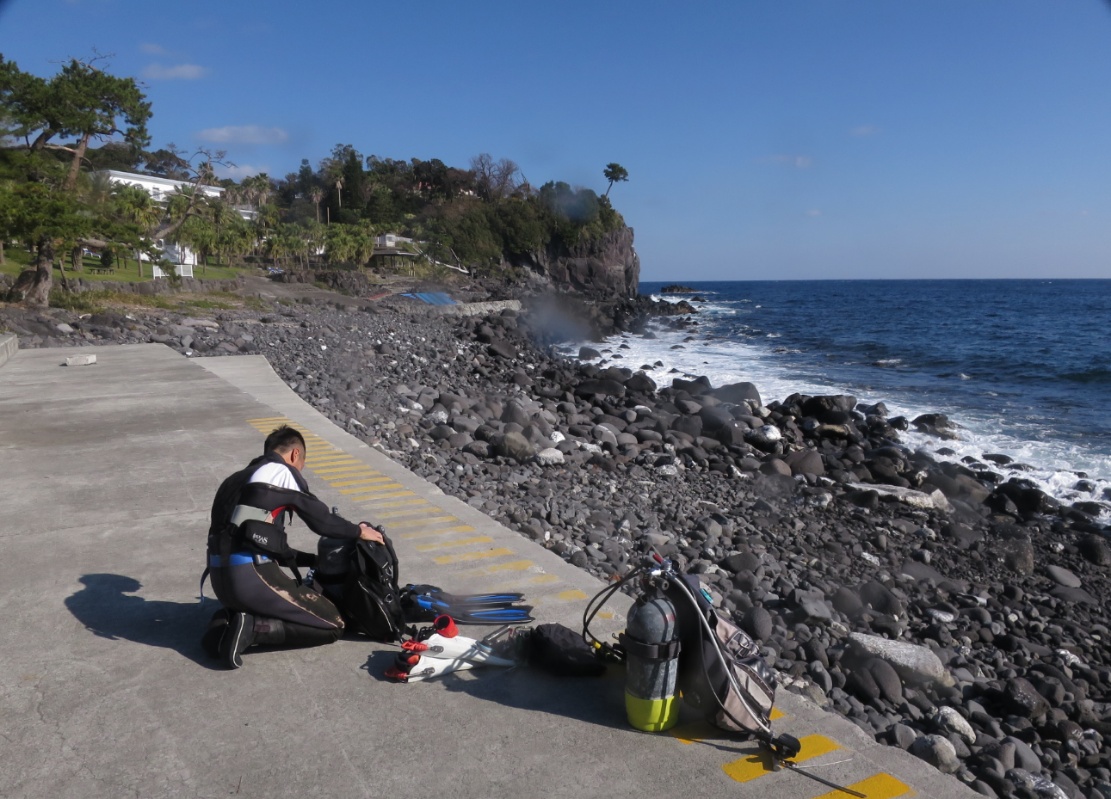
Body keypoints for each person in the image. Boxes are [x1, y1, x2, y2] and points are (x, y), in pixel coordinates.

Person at [203, 425, 384, 669]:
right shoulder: (280, 472)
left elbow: (259, 542)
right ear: (294, 455)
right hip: (250, 578)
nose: (300, 471)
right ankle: (253, 628)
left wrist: (312, 560)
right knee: (333, 624)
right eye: (302, 464)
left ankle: (228, 619)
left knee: (285, 594)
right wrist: (361, 531)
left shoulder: (235, 480)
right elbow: (322, 521)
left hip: (221, 582)